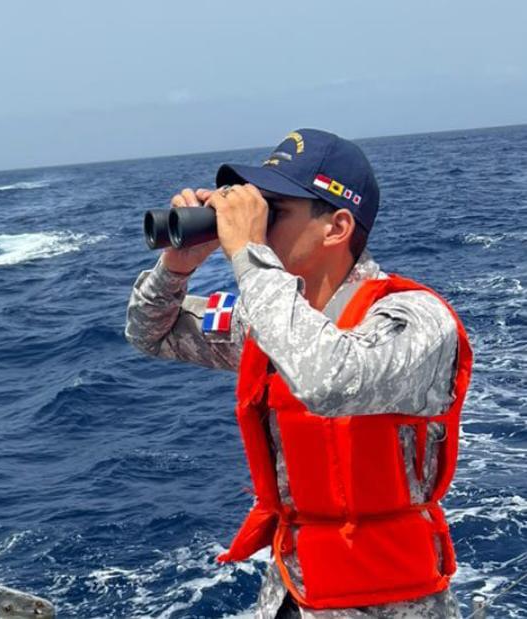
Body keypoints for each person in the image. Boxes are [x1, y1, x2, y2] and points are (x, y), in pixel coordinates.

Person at [125, 129, 471, 618]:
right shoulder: (266, 318)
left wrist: (247, 254)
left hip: (390, 601)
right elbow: (149, 332)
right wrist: (178, 266)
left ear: (337, 227)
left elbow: (330, 378)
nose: (255, 227)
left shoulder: (415, 320)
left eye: (274, 212)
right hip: (292, 591)